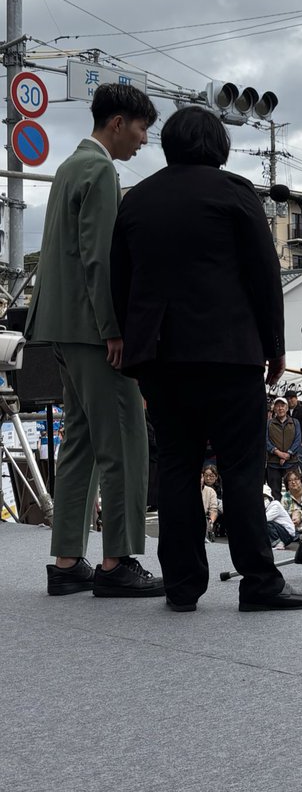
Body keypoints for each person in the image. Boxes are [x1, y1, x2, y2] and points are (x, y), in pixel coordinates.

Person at [111, 105, 302, 611]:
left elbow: (121, 282)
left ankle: (183, 586)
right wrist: (274, 347)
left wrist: (132, 344)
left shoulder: (137, 200)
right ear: (220, 147)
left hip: (161, 356)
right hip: (230, 352)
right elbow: (263, 277)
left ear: (169, 145)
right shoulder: (235, 194)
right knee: (241, 468)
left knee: (179, 466)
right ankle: (259, 582)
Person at [29, 83, 164, 599]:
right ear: (117, 123)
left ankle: (67, 561)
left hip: (57, 326)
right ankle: (117, 561)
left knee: (80, 442)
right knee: (125, 440)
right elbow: (98, 257)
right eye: (140, 127)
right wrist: (113, 327)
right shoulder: (102, 171)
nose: (143, 139)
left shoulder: (68, 166)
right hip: (92, 328)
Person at [265, 395, 302, 499]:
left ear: (286, 408)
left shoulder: (295, 422)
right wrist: (278, 452)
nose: (280, 408)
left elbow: (298, 439)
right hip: (273, 462)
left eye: (282, 406)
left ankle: (293, 512)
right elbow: (266, 441)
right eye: (277, 406)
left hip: (291, 462)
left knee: (293, 490)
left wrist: (288, 454)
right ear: (274, 408)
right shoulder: (269, 423)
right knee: (274, 491)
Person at [263, 485, 296, 550]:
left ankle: (278, 543)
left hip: (287, 534)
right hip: (280, 531)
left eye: (264, 497)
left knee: (266, 524)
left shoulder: (275, 505)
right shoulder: (266, 508)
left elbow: (265, 519)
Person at [201, 467, 220, 543]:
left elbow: (213, 509)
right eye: (206, 476)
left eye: (201, 477)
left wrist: (211, 522)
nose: (208, 478)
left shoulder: (210, 491)